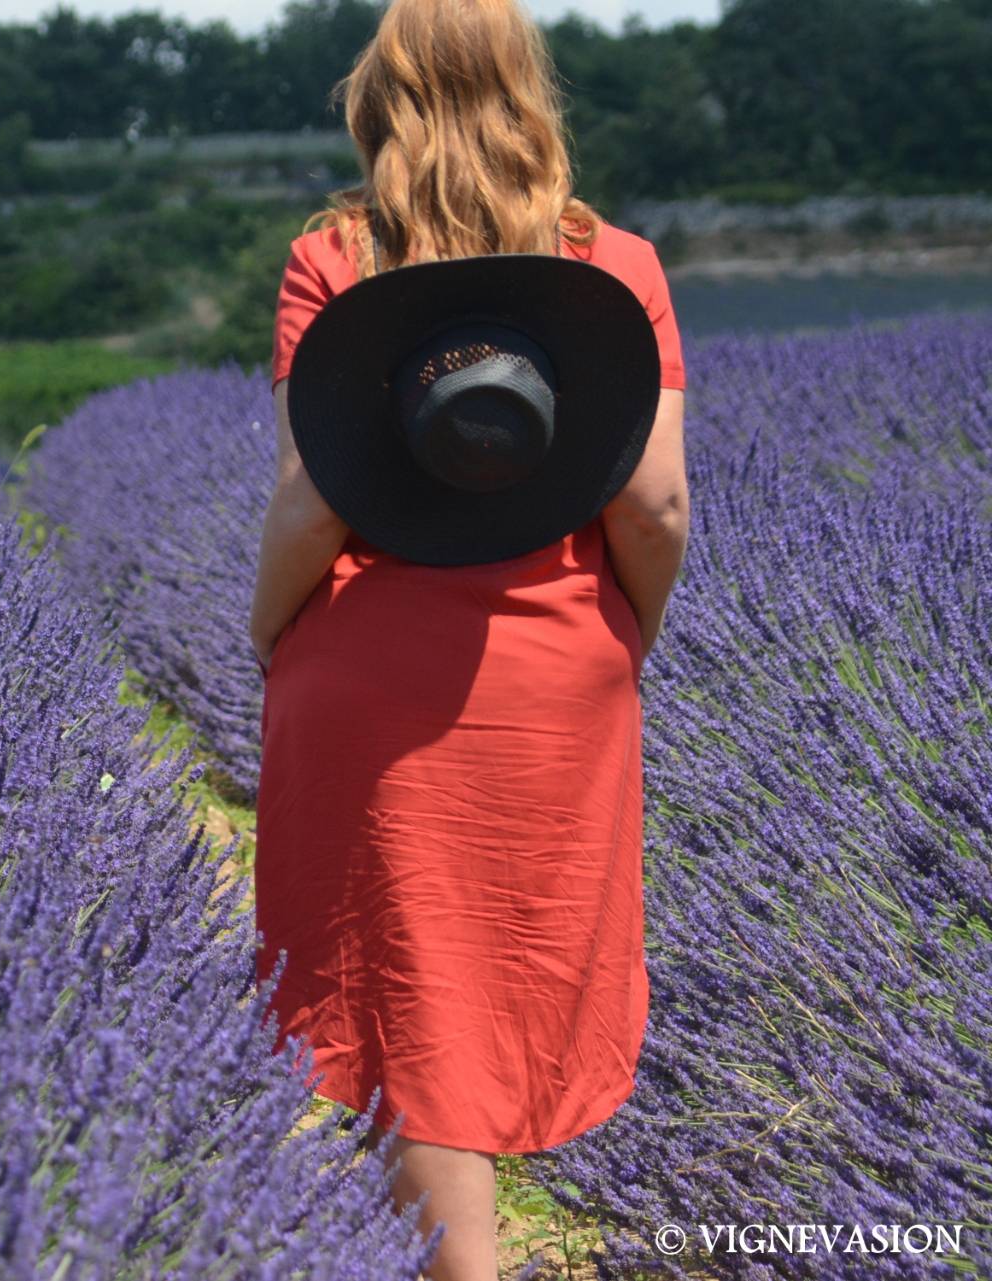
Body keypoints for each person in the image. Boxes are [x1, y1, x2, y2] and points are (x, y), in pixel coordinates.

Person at [247, 1, 691, 1278]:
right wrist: (621, 634)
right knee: (491, 987)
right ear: (524, 88)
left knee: (414, 1003)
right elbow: (653, 504)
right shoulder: (618, 268)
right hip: (559, 671)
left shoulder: (334, 261)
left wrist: (271, 627)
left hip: (369, 675)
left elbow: (311, 494)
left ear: (379, 97)